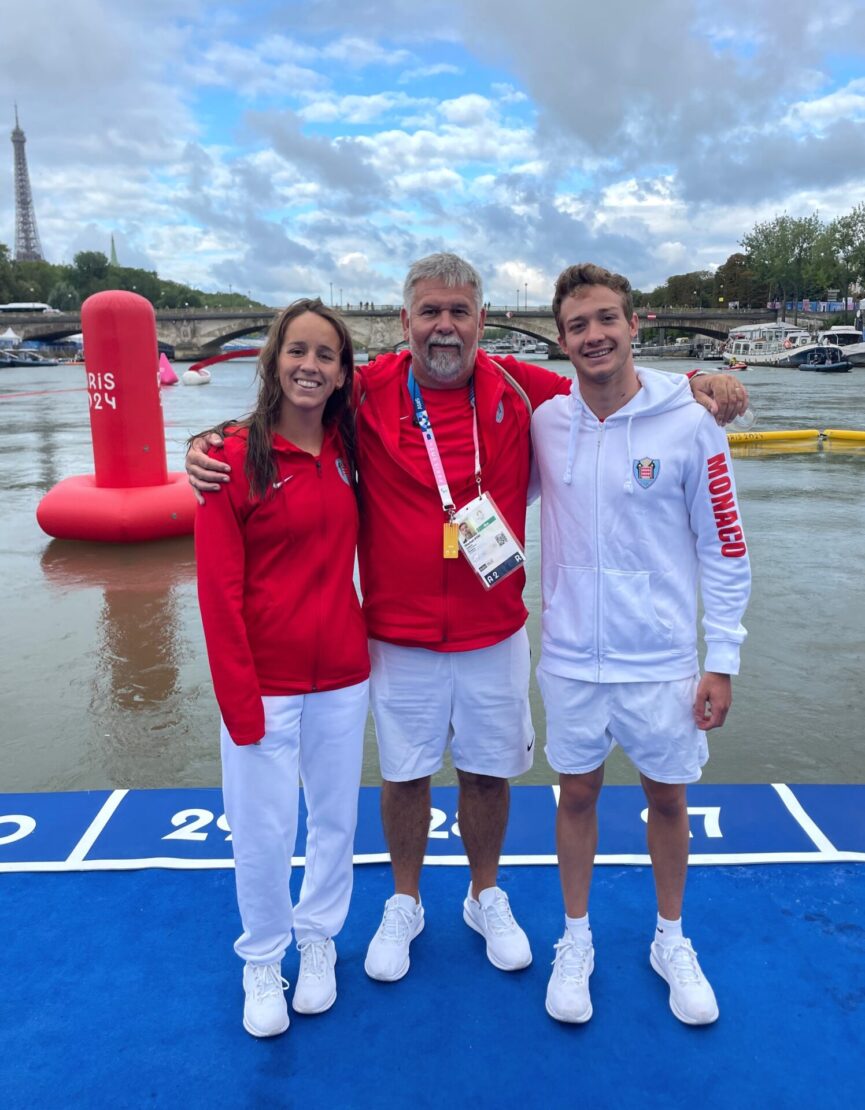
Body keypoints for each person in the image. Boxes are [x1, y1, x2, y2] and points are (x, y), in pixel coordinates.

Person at [187, 254, 749, 986]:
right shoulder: (367, 389)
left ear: (483, 322)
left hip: (494, 631)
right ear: (405, 323)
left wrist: (698, 385)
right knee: (405, 776)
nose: (443, 326)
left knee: (488, 774)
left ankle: (485, 893)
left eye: (458, 312)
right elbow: (293, 406)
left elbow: (611, 383)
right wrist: (205, 446)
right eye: (429, 312)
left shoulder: (526, 388)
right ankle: (405, 900)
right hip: (397, 635)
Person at [531, 263, 750, 1026]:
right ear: (560, 342)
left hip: (659, 660)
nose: (593, 335)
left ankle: (669, 937)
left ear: (634, 326)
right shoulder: (543, 422)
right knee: (577, 794)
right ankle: (576, 937)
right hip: (568, 656)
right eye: (577, 325)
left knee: (666, 798)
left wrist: (721, 658)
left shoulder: (688, 423)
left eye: (605, 320)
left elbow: (724, 545)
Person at [195, 298, 370, 1038]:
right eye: (296, 351)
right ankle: (263, 956)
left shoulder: (350, 447)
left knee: (334, 820)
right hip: (263, 682)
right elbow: (215, 591)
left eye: (324, 355)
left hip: (342, 674)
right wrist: (238, 700)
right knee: (263, 830)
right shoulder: (229, 457)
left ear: (340, 374)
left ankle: (318, 937)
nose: (309, 365)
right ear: (273, 360)